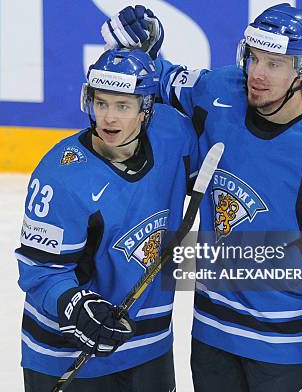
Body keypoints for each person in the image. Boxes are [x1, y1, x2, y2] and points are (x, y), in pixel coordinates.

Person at [102, 4, 302, 391]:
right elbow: (161, 82)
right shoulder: (220, 93)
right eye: (255, 58)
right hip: (213, 336)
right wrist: (140, 48)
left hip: (292, 347)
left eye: (275, 64)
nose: (258, 74)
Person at [16, 48, 198, 391]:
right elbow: (39, 273)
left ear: (146, 110)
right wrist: (74, 305)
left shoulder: (174, 135)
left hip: (149, 345)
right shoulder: (61, 176)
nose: (109, 119)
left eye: (123, 106)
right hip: (67, 354)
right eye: (102, 104)